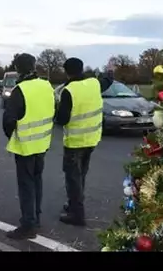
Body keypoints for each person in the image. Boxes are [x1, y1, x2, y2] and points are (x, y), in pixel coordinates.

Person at [54, 58, 114, 226]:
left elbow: (62, 119)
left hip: (75, 142)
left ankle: (77, 214)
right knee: (81, 175)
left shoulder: (69, 90)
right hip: (92, 139)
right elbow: (107, 81)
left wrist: (55, 111)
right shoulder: (94, 83)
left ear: (67, 72)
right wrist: (110, 70)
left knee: (73, 178)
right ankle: (74, 204)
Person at [2, 53, 55, 240]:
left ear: (17, 69)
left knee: (26, 185)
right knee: (37, 181)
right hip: (43, 143)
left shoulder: (20, 90)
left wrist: (12, 136)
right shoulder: (46, 85)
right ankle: (36, 217)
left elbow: (9, 120)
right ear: (34, 66)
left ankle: (28, 225)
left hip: (25, 145)